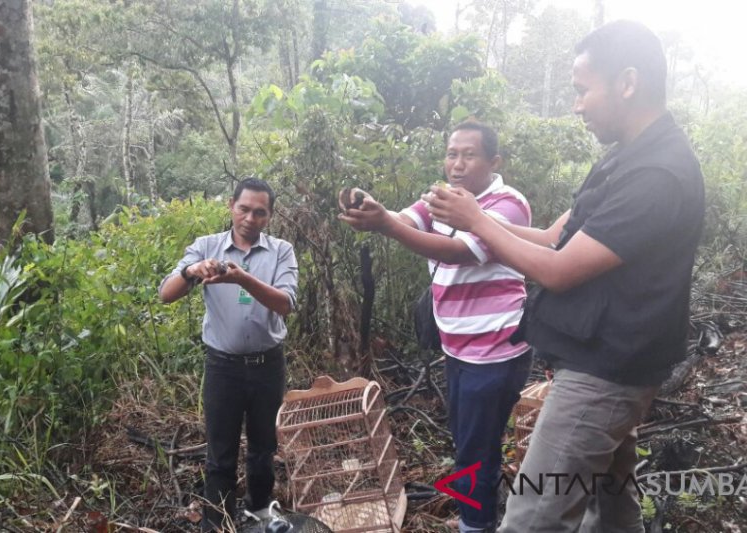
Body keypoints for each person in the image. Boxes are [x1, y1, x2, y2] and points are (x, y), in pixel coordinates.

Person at [427, 21, 705, 532]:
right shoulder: (626, 158)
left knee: (532, 517)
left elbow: (558, 270)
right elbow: (557, 238)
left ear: (626, 82)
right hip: (603, 363)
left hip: (604, 378)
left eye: (582, 90)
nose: (576, 105)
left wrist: (477, 220)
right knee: (611, 504)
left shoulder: (657, 174)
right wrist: (479, 222)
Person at [339, 121, 533, 532]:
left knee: (474, 450)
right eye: (451, 154)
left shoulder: (507, 204)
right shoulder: (442, 198)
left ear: (493, 161)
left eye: (469, 154)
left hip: (495, 351)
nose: (457, 164)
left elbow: (460, 252)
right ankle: (479, 516)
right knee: (468, 445)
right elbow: (405, 219)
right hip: (459, 350)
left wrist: (386, 226)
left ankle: (475, 524)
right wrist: (376, 211)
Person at [159, 178, 298, 532]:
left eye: (260, 212)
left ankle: (259, 516)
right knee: (220, 454)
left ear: (269, 216)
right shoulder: (207, 247)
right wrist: (192, 270)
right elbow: (166, 294)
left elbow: (285, 303)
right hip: (223, 367)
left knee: (263, 448)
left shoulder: (281, 251)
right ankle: (216, 525)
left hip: (268, 365)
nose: (250, 218)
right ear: (230, 206)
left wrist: (241, 279)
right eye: (244, 209)